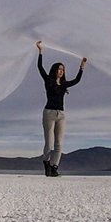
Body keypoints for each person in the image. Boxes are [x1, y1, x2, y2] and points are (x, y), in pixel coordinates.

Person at [36, 41, 87, 177]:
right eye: (59, 69)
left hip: (61, 115)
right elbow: (40, 67)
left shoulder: (64, 85)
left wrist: (81, 67)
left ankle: (54, 168)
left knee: (59, 144)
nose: (61, 71)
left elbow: (76, 80)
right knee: (49, 144)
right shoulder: (48, 81)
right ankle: (46, 162)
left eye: (62, 70)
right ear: (54, 70)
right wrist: (40, 52)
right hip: (49, 114)